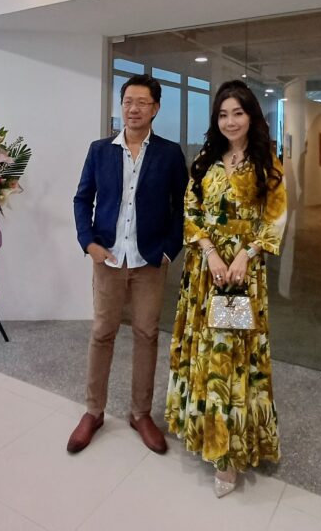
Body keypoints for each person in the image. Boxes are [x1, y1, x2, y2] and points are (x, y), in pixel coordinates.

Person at [164, 79, 287, 497]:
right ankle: (204, 433)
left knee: (232, 356)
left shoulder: (267, 163)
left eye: (238, 112)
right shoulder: (206, 160)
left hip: (241, 278)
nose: (230, 121)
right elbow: (190, 209)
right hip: (206, 274)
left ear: (251, 116)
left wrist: (245, 255)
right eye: (223, 114)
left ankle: (229, 454)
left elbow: (275, 220)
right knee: (206, 352)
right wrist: (211, 253)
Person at [69, 74, 189, 455]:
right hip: (108, 258)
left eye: (142, 102)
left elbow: (182, 207)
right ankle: (93, 411)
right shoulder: (100, 150)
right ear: (121, 106)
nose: (133, 109)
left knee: (146, 334)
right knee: (102, 332)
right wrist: (89, 243)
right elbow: (82, 199)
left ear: (155, 108)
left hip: (149, 260)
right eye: (128, 102)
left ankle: (141, 413)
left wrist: (169, 250)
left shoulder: (169, 154)